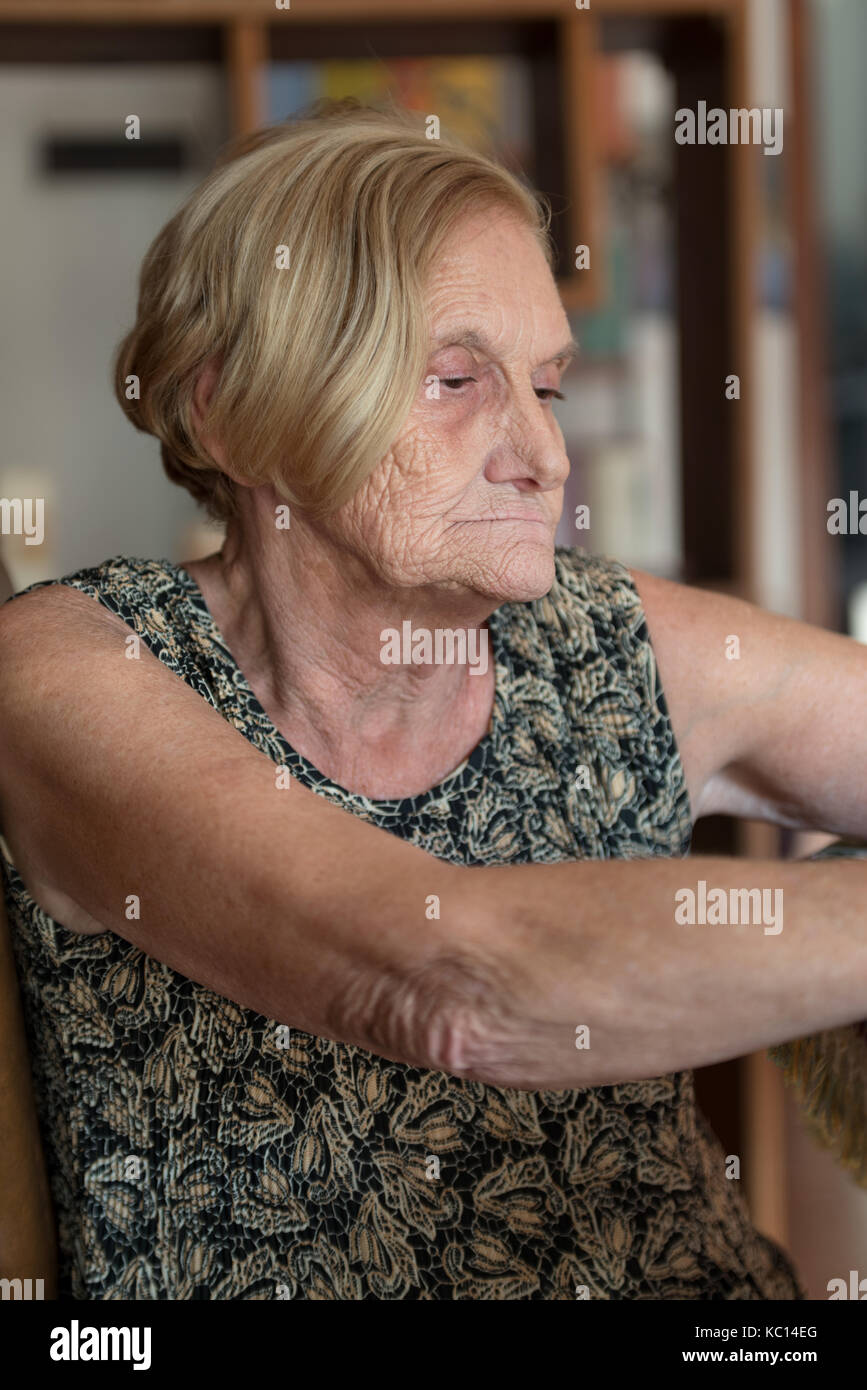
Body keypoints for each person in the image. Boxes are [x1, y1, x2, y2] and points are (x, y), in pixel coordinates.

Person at [1, 100, 866, 1301]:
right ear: (228, 410)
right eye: (457, 378)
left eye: (549, 387)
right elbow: (450, 986)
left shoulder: (599, 639)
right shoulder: (74, 668)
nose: (544, 456)